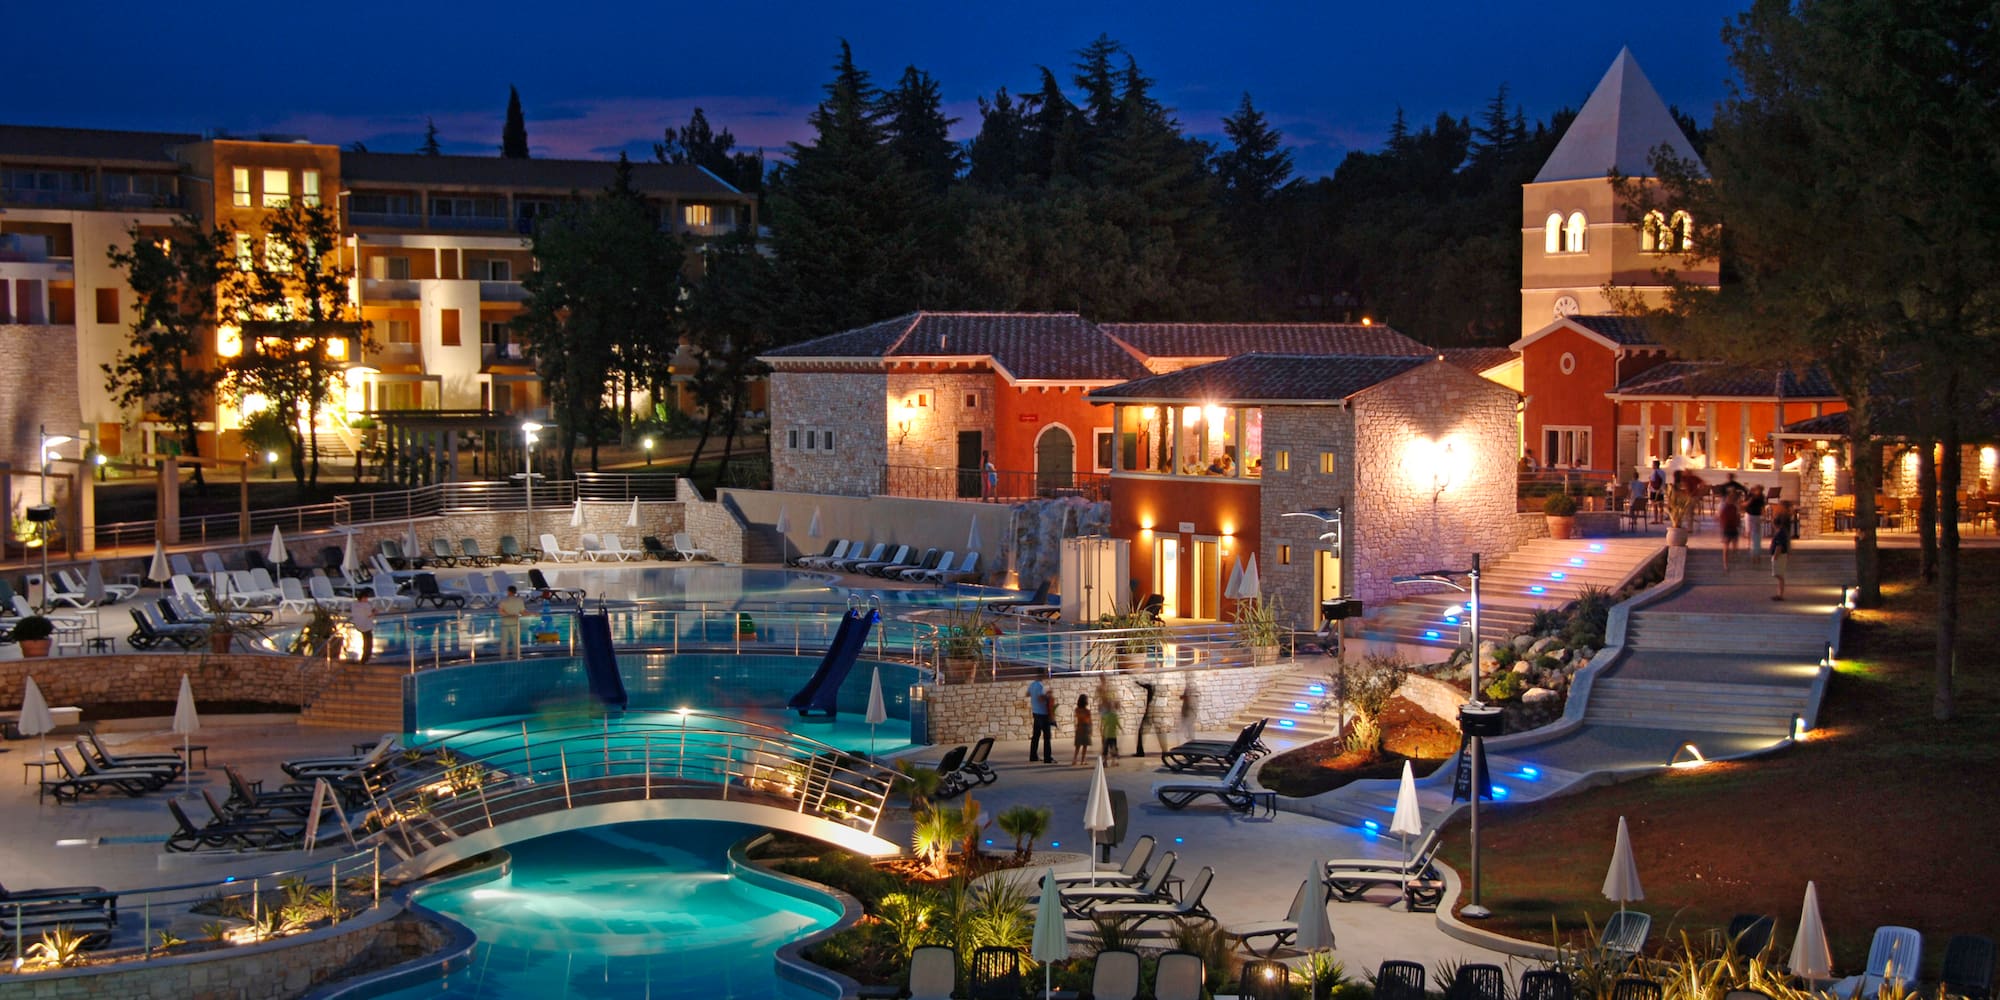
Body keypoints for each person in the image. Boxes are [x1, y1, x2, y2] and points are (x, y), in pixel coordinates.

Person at [1025, 669, 1054, 763]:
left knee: (1036, 735)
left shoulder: (1032, 684)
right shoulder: (1041, 686)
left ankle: (1033, 756)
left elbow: (1027, 694)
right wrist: (1048, 696)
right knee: (1047, 737)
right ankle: (1047, 758)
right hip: (1043, 713)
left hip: (1035, 712)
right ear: (1042, 674)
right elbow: (1041, 699)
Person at [1770, 501, 1794, 600]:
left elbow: (1779, 546)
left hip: (1779, 556)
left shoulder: (1780, 533)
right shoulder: (1781, 531)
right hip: (1781, 554)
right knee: (1779, 575)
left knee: (1779, 575)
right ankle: (1779, 593)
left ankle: (1780, 594)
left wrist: (1775, 556)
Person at [497, 585, 526, 658]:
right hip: (515, 623)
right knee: (516, 642)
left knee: (504, 642)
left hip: (505, 623)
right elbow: (523, 612)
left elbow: (500, 611)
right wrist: (533, 614)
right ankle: (516, 656)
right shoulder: (519, 601)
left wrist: (509, 615)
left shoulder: (504, 601)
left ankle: (503, 657)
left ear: (508, 592)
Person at [348, 590, 375, 664]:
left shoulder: (354, 605)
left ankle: (364, 659)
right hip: (366, 626)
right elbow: (369, 614)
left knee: (366, 642)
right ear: (363, 598)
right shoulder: (365, 605)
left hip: (359, 625)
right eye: (366, 598)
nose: (367, 600)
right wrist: (374, 612)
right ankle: (365, 659)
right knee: (368, 643)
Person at [1719, 489, 1742, 570]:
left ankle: (1729, 562)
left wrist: (1738, 523)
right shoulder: (1726, 508)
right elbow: (1722, 518)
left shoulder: (1733, 507)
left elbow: (1737, 517)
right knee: (1727, 547)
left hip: (1732, 528)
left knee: (1732, 546)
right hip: (1728, 528)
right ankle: (1726, 564)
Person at [1745, 485, 1767, 562]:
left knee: (1756, 535)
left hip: (1756, 516)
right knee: (1750, 531)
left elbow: (1762, 507)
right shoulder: (1751, 496)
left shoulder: (1761, 497)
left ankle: (1755, 555)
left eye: (1761, 491)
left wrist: (1763, 515)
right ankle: (1750, 545)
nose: (1759, 492)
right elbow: (1746, 504)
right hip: (1750, 515)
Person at [1071, 694, 1093, 766]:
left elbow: (1076, 719)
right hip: (1086, 727)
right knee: (1085, 745)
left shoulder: (1077, 710)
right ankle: (1082, 760)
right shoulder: (1087, 711)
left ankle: (1074, 759)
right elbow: (1090, 721)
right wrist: (1091, 730)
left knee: (1078, 745)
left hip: (1079, 727)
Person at [1100, 699, 1121, 766]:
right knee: (1113, 748)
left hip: (1106, 735)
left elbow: (1103, 724)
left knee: (1105, 749)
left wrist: (1102, 731)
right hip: (1113, 735)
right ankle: (1113, 761)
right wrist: (1121, 729)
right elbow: (1117, 723)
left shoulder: (1105, 716)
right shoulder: (1114, 715)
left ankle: (1105, 762)